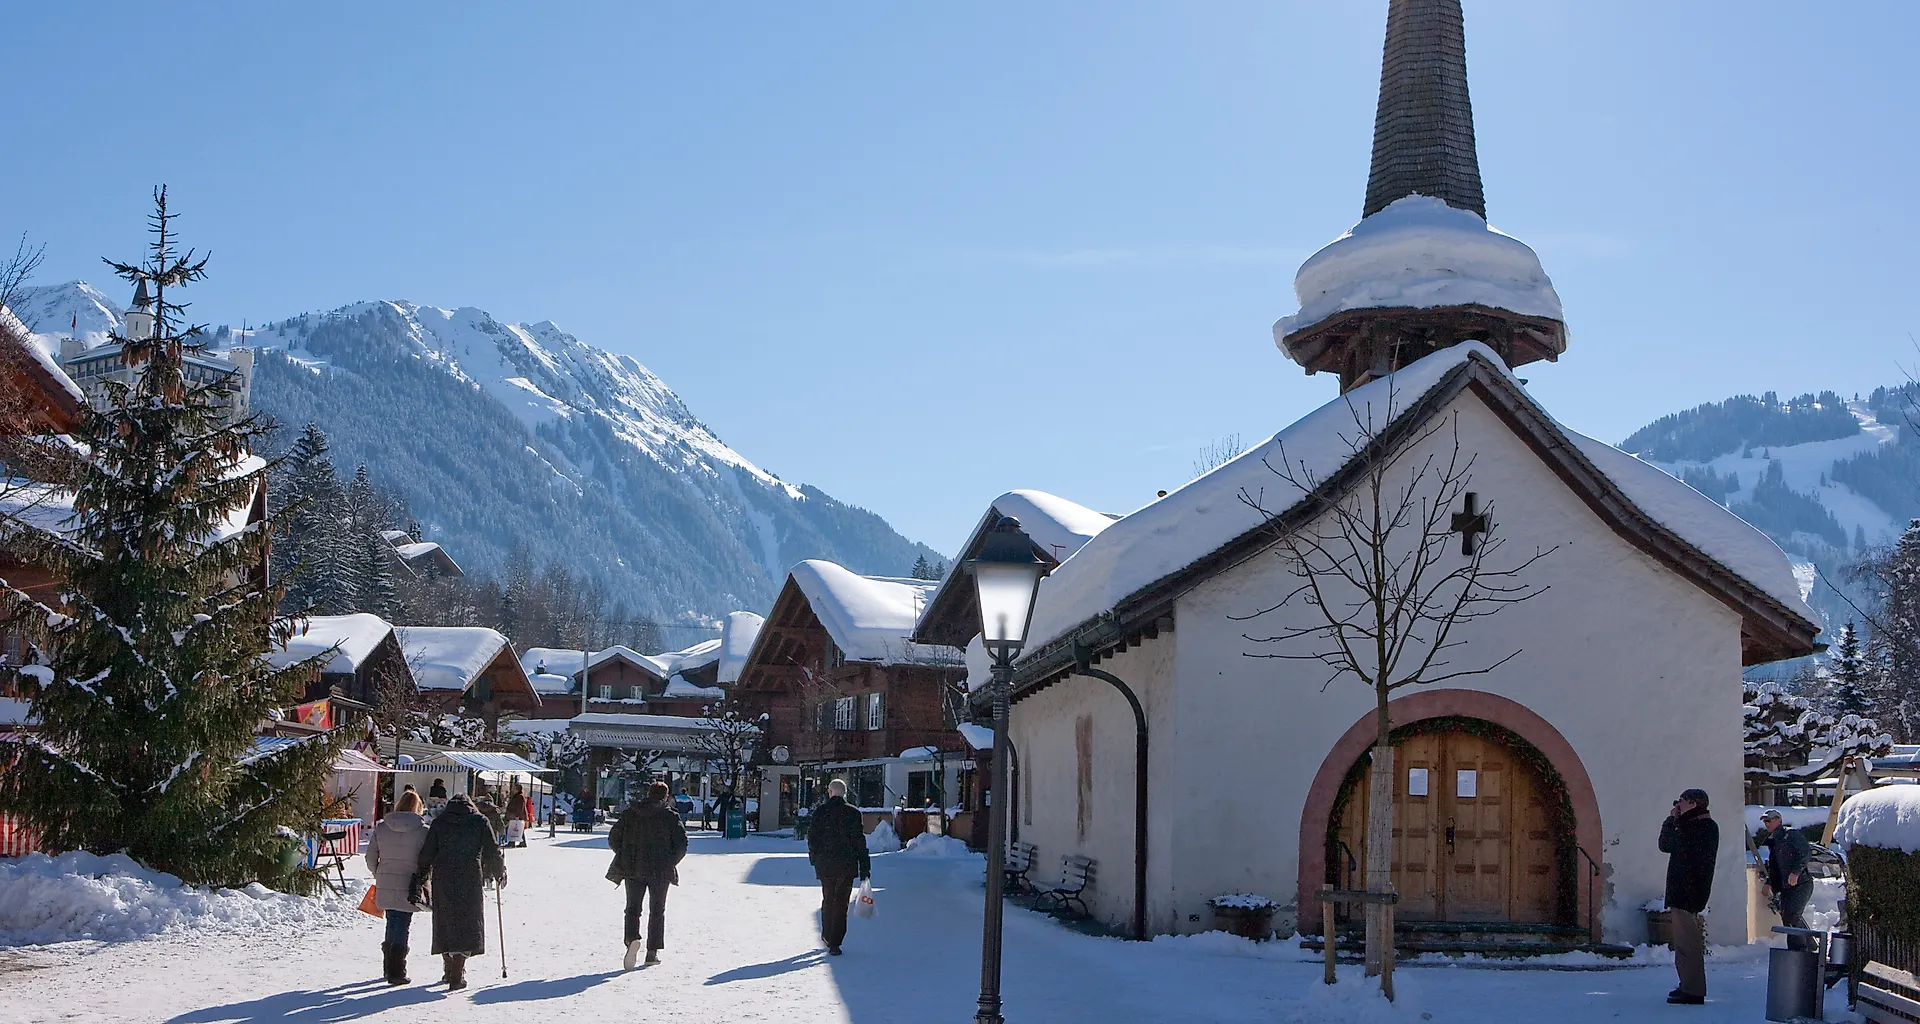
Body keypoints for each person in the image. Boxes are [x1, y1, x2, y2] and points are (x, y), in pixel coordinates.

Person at [413, 793, 506, 991]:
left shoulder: (440, 823)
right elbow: (491, 850)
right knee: (467, 921)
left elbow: (428, 852)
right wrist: (500, 872)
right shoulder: (479, 821)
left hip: (443, 877)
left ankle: (449, 966)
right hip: (470, 877)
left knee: (446, 920)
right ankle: (457, 969)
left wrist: (421, 874)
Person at [606, 782, 689, 969]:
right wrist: (670, 861)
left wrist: (624, 854)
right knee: (657, 911)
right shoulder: (670, 816)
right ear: (665, 796)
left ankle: (632, 939)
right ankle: (652, 952)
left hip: (633, 867)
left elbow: (613, 838)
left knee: (632, 908)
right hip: (660, 870)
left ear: (648, 794)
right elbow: (682, 844)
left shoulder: (631, 813)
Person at [364, 790, 432, 985]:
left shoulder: (382, 828)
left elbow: (370, 857)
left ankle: (388, 967)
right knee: (403, 924)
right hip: (409, 882)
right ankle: (397, 970)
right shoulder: (423, 831)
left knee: (392, 922)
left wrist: (379, 873)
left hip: (386, 879)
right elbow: (426, 859)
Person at [1659, 787, 1719, 1006]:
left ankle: (1693, 989)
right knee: (1684, 944)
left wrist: (1670, 821)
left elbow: (1667, 844)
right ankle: (1688, 985)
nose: (1678, 805)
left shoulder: (1700, 827)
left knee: (1688, 945)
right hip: (1687, 891)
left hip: (1687, 892)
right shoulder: (1700, 826)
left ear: (1694, 804)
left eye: (1681, 801)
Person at [806, 778, 870, 956]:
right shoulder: (854, 813)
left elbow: (812, 838)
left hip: (825, 865)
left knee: (828, 899)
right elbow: (859, 842)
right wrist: (865, 866)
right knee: (841, 903)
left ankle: (827, 935)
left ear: (830, 792)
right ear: (845, 793)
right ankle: (836, 942)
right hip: (846, 865)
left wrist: (814, 859)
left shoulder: (820, 812)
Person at [1760, 809, 1814, 950]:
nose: (1767, 824)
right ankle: (1808, 945)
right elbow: (1775, 867)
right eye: (1765, 821)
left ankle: (1800, 950)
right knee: (1788, 916)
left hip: (1801, 883)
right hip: (1786, 886)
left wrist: (1796, 872)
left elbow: (1806, 853)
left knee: (1792, 916)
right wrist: (1769, 882)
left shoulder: (1790, 835)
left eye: (1769, 820)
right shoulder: (1774, 841)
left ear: (1779, 820)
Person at [505, 782, 529, 848]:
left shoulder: (519, 796)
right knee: (519, 829)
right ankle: (522, 842)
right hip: (516, 815)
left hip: (516, 816)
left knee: (514, 828)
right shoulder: (517, 796)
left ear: (517, 789)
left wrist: (517, 816)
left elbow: (520, 807)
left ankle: (512, 843)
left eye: (514, 788)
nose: (512, 789)